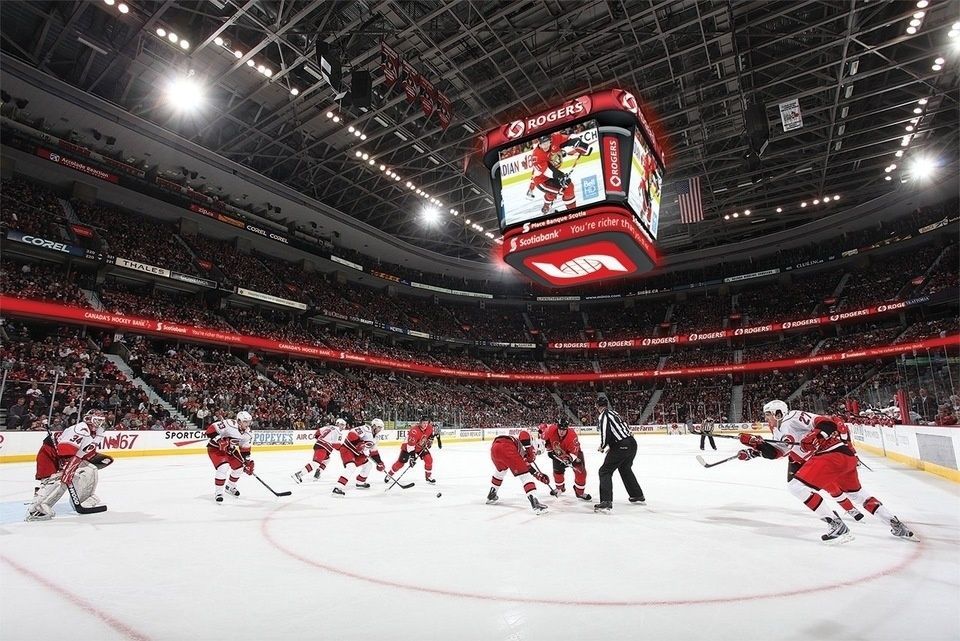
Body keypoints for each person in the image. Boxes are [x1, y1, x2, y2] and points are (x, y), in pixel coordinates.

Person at [742, 415, 916, 543]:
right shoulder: (780, 430)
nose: (766, 419)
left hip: (831, 455)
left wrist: (817, 435)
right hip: (844, 457)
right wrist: (756, 446)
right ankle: (895, 524)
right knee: (858, 495)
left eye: (768, 415)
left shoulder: (791, 418)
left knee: (796, 487)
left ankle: (835, 524)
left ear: (777, 413)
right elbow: (777, 452)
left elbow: (827, 423)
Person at [26, 410, 114, 521]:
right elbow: (65, 451)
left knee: (89, 470)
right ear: (88, 419)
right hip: (50, 454)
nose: (100, 424)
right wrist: (67, 469)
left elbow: (84, 453)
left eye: (101, 421)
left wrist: (94, 459)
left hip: (68, 457)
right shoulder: (80, 430)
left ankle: (83, 499)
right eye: (97, 421)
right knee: (58, 479)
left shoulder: (96, 433)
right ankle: (38, 508)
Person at [595, 398, 645, 512]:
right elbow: (624, 428)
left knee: (604, 471)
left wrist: (602, 446)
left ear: (597, 406)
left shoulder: (603, 415)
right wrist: (614, 448)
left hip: (621, 445)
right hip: (632, 443)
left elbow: (605, 433)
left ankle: (606, 501)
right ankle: (637, 495)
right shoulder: (615, 413)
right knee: (625, 468)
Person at [486, 429, 551, 514]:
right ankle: (535, 503)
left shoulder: (519, 446)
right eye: (537, 452)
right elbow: (524, 434)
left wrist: (538, 475)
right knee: (526, 477)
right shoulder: (526, 444)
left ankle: (492, 494)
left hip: (495, 448)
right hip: (507, 448)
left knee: (500, 472)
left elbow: (525, 465)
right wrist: (530, 452)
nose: (536, 453)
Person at [525, 132, 591, 214]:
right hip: (542, 181)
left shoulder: (555, 138)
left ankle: (546, 207)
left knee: (553, 191)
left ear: (550, 140)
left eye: (547, 142)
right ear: (539, 143)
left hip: (552, 174)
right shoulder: (537, 156)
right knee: (568, 187)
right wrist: (561, 176)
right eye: (542, 144)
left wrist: (578, 142)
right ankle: (573, 214)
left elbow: (570, 137)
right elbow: (548, 171)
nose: (545, 146)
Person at [205, 410, 254, 503]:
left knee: (239, 467)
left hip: (230, 450)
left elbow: (245, 449)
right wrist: (219, 440)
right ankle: (218, 493)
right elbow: (210, 431)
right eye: (245, 422)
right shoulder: (229, 424)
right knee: (223, 467)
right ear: (239, 421)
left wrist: (247, 461)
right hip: (215, 448)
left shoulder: (248, 433)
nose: (247, 424)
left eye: (249, 422)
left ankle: (230, 486)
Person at [333, 419, 386, 496]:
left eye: (381, 428)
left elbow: (373, 452)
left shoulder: (376, 438)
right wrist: (359, 443)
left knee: (368, 465)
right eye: (379, 427)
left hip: (358, 453)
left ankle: (360, 482)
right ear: (374, 426)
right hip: (348, 449)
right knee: (351, 467)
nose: (380, 429)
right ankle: (338, 487)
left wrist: (379, 463)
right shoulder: (366, 429)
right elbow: (351, 433)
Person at [542, 419, 591, 501]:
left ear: (567, 429)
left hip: (574, 454)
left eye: (564, 430)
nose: (561, 432)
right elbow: (544, 438)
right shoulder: (551, 429)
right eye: (560, 429)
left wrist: (568, 459)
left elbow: (574, 452)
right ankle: (560, 488)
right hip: (558, 452)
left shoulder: (572, 436)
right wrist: (549, 449)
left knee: (581, 473)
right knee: (557, 472)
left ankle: (580, 492)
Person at [386, 419, 440, 485]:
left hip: (420, 447)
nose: (425, 425)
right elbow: (410, 446)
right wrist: (412, 457)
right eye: (423, 423)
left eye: (426, 423)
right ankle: (390, 474)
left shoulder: (429, 427)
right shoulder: (414, 431)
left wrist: (430, 440)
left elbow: (431, 434)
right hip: (408, 447)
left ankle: (428, 477)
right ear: (420, 423)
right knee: (400, 464)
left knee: (429, 459)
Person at [291, 418, 345, 483]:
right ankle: (298, 474)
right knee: (316, 463)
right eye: (341, 424)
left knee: (327, 460)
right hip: (323, 447)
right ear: (338, 424)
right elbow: (336, 445)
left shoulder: (328, 427)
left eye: (343, 425)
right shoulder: (339, 432)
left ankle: (317, 473)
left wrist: (320, 440)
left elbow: (317, 432)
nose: (343, 426)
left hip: (320, 445)